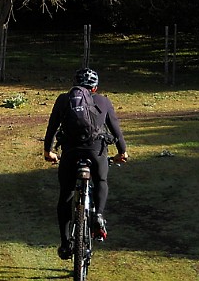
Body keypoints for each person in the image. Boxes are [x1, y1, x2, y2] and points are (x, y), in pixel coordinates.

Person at [44, 68, 129, 260]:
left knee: (66, 193)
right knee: (101, 180)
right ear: (95, 87)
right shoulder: (103, 101)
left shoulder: (63, 100)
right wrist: (122, 152)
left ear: (74, 84)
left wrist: (48, 151)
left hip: (70, 154)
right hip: (96, 151)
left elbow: (52, 127)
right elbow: (115, 129)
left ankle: (65, 243)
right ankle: (98, 214)